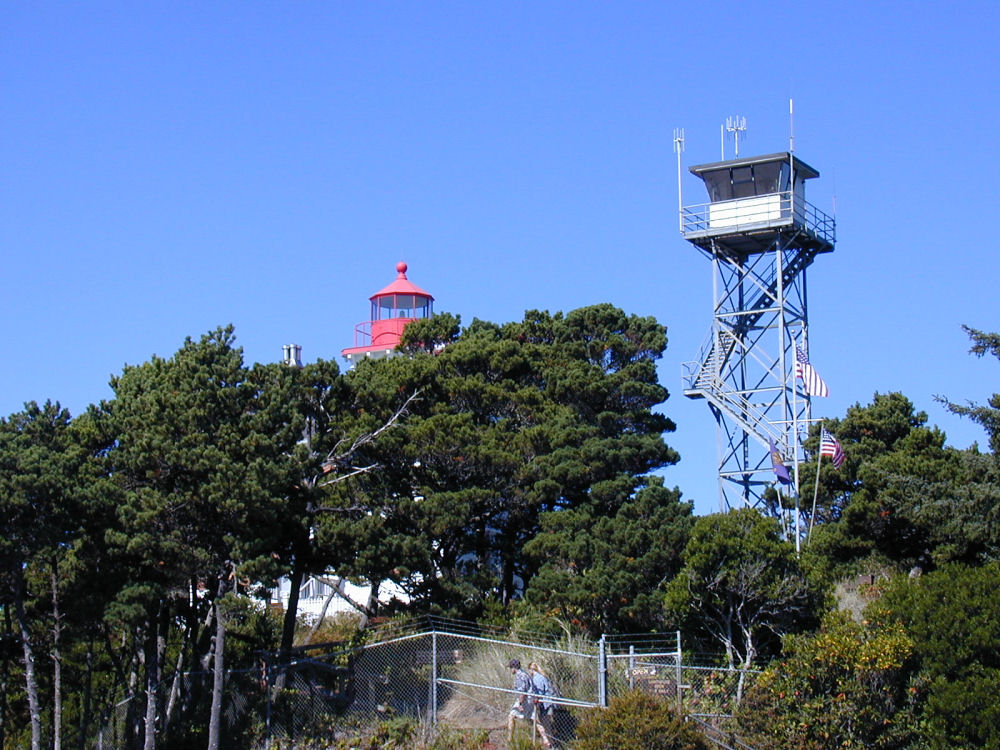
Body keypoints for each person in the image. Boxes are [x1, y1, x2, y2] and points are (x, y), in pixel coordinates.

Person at [528, 661, 555, 749]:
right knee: (546, 724)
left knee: (540, 721)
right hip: (548, 703)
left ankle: (548, 741)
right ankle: (550, 742)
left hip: (545, 704)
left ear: (531, 670)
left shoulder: (536, 678)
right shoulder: (543, 677)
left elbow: (539, 692)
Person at [506, 658, 534, 742]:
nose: (510, 670)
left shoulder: (519, 676)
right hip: (531, 699)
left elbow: (522, 692)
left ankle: (509, 739)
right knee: (534, 718)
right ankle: (546, 740)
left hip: (525, 700)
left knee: (511, 716)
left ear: (514, 668)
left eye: (511, 668)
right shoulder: (525, 674)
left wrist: (520, 704)